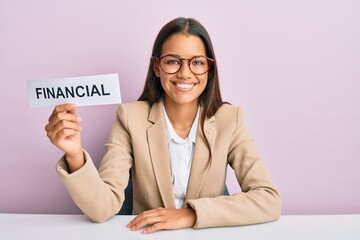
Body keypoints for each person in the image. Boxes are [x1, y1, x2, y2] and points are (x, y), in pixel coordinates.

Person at [45, 17, 281, 234]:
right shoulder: (130, 118)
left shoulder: (230, 119)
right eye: (172, 62)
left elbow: (269, 199)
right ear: (157, 67)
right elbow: (102, 208)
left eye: (197, 62)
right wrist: (74, 154)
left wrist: (190, 215)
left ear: (209, 69)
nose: (185, 73)